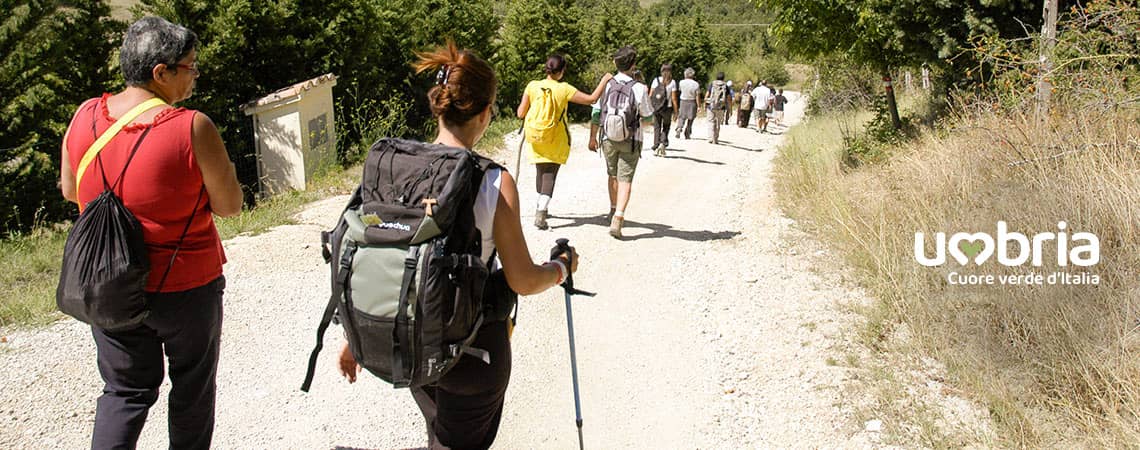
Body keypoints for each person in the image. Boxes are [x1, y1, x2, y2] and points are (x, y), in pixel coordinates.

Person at [338, 41, 580, 450]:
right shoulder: (491, 181)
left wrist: (355, 334)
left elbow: (384, 250)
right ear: (486, 114)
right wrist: (561, 268)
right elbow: (521, 279)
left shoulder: (398, 168)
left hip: (411, 343)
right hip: (472, 352)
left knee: (441, 434)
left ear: (439, 107)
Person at [58, 16, 243, 449]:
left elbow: (71, 190)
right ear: (161, 72)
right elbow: (231, 206)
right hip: (186, 289)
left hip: (110, 284)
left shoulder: (84, 116)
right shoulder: (191, 126)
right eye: (190, 67)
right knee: (192, 391)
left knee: (124, 391)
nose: (194, 76)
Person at [516, 54, 612, 230]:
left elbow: (520, 113)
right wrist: (604, 80)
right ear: (561, 71)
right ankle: (541, 212)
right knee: (550, 175)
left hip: (536, 136)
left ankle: (541, 204)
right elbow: (592, 99)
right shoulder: (564, 89)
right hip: (556, 138)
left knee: (540, 170)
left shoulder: (532, 86)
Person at [589, 46, 655, 239]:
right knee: (625, 178)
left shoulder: (607, 84)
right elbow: (649, 118)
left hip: (608, 136)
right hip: (631, 139)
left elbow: (595, 112)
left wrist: (592, 137)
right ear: (633, 65)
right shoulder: (639, 88)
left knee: (612, 175)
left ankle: (611, 209)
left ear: (614, 63)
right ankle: (618, 217)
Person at [649, 63, 679, 157]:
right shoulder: (672, 82)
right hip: (667, 108)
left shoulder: (656, 80)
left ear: (661, 70)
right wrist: (676, 111)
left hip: (656, 107)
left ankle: (656, 145)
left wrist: (649, 107)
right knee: (666, 126)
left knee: (657, 126)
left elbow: (650, 95)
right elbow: (674, 98)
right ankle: (663, 143)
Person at [674, 67, 701, 140]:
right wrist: (699, 106)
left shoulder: (681, 82)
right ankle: (687, 132)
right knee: (691, 118)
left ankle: (679, 127)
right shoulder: (696, 84)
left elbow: (680, 90)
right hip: (692, 101)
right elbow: (697, 96)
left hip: (683, 100)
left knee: (681, 116)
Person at [706, 72, 729, 145]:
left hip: (711, 105)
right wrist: (728, 107)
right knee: (718, 122)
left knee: (711, 122)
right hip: (721, 106)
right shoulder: (725, 85)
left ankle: (710, 138)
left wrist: (706, 101)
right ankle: (715, 139)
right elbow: (728, 97)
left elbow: (707, 94)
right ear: (723, 78)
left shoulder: (712, 84)